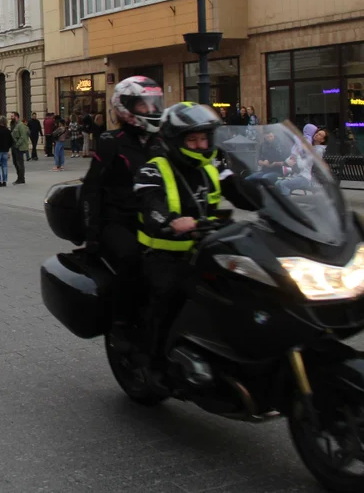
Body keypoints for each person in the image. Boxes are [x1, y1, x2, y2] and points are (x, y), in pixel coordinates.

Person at [135, 103, 257, 364]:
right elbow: (150, 204)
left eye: (204, 139)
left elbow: (242, 193)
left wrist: (274, 199)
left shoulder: (213, 168)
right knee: (169, 304)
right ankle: (154, 363)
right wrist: (172, 220)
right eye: (193, 140)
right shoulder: (153, 170)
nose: (201, 146)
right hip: (165, 256)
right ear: (174, 141)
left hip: (208, 249)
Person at [80, 76, 165, 273]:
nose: (151, 110)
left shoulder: (161, 142)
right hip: (120, 219)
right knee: (131, 260)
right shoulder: (112, 142)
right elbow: (92, 188)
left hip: (156, 217)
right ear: (125, 106)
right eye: (144, 105)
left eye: (154, 104)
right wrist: (92, 234)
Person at [278, 127, 327, 197]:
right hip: (298, 174)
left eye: (320, 135)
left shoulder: (317, 151)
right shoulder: (310, 146)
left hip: (305, 177)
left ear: (322, 140)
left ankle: (288, 206)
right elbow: (293, 157)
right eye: (317, 133)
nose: (316, 134)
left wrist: (298, 154)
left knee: (283, 184)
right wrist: (290, 159)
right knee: (278, 183)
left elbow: (302, 165)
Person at [9, 112, 29, 185]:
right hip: (13, 147)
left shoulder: (21, 125)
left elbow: (23, 136)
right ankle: (19, 177)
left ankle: (21, 178)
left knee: (20, 163)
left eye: (12, 116)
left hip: (19, 148)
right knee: (15, 163)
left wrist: (17, 145)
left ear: (16, 117)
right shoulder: (13, 125)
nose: (11, 118)